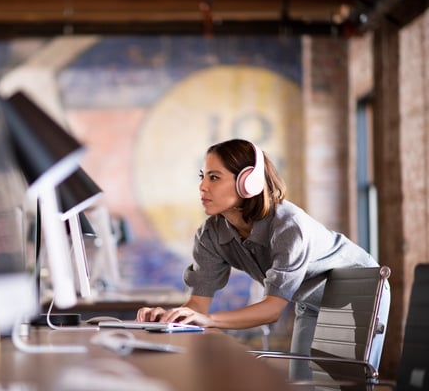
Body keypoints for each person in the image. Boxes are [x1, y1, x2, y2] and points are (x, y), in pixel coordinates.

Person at [136, 138, 380, 380]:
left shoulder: (288, 226)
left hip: (359, 294)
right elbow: (198, 307)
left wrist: (208, 320)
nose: (202, 187)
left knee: (347, 384)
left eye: (214, 177)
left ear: (248, 183)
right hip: (311, 301)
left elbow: (272, 309)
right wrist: (169, 318)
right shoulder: (210, 234)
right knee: (303, 384)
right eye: (202, 176)